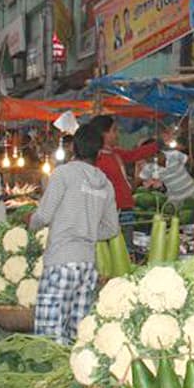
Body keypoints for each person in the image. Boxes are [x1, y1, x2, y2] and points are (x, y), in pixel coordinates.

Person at [30, 125, 120, 343]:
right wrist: (86, 230)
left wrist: (30, 225)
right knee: (77, 336)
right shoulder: (106, 184)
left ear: (72, 148)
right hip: (87, 266)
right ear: (98, 152)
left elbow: (44, 215)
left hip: (61, 261)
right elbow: (112, 228)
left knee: (49, 338)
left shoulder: (64, 173)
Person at [89, 115, 159, 246]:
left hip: (126, 209)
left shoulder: (115, 153)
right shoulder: (96, 159)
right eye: (114, 130)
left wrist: (158, 145)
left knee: (125, 249)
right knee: (116, 250)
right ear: (103, 133)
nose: (117, 134)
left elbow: (135, 154)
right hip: (113, 212)